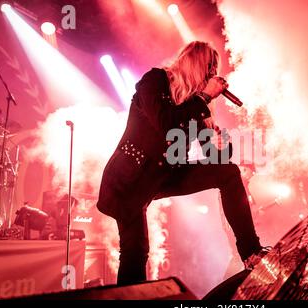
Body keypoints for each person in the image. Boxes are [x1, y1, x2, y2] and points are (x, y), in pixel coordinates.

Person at [97, 41, 265, 285]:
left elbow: (216, 158)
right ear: (196, 64)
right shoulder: (154, 81)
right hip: (128, 179)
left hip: (163, 175)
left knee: (228, 172)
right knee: (136, 251)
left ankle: (251, 253)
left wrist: (221, 143)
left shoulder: (195, 106)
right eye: (210, 68)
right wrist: (204, 96)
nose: (212, 76)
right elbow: (166, 124)